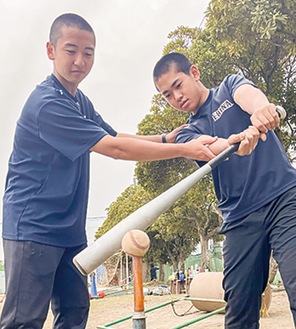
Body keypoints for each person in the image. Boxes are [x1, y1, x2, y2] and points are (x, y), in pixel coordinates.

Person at [0, 13, 258, 328]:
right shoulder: (47, 104)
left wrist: (165, 138)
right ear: (51, 51)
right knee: (24, 320)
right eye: (71, 50)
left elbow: (116, 136)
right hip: (32, 227)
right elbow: (115, 150)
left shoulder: (78, 101)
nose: (80, 60)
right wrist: (182, 149)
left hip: (68, 229)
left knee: (74, 311)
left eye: (88, 52)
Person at [153, 52, 296, 329]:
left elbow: (251, 96)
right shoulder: (186, 132)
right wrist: (232, 142)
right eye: (167, 95)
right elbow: (210, 148)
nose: (176, 97)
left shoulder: (229, 87)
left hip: (284, 199)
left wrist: (261, 111)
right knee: (239, 312)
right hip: (240, 219)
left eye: (178, 85)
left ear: (194, 72)